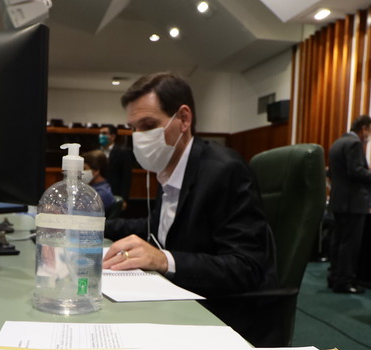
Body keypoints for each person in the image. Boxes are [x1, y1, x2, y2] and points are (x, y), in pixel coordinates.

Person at [102, 72, 277, 299]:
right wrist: (95, 226)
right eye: (134, 128)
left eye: (148, 125)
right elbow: (158, 227)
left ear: (184, 119)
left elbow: (246, 267)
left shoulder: (225, 170)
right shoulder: (167, 167)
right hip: (173, 293)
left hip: (216, 307)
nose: (139, 137)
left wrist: (164, 260)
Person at [327, 115, 371, 294]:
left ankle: (334, 277)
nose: (369, 134)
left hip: (338, 201)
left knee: (338, 241)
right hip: (353, 202)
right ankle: (345, 282)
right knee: (350, 244)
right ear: (363, 128)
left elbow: (332, 173)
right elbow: (355, 170)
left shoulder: (337, 144)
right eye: (369, 130)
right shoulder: (355, 143)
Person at [98, 124, 133, 202]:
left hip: (115, 193)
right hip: (99, 193)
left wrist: (124, 198)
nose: (100, 136)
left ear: (113, 136)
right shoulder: (97, 151)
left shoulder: (123, 152)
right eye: (100, 133)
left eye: (104, 133)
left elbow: (126, 177)